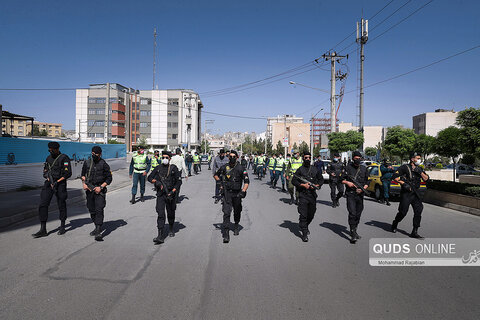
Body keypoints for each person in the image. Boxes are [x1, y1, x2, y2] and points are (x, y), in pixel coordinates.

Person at [32, 141, 72, 238]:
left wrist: (57, 181)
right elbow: (45, 171)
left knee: (61, 204)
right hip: (49, 184)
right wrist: (47, 177)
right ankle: (43, 229)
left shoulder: (64, 158)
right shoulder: (48, 158)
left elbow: (68, 173)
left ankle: (62, 225)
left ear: (57, 149)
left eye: (52, 150)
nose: (51, 152)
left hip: (60, 184)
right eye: (49, 150)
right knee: (43, 204)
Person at [391, 152, 430, 239]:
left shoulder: (419, 169)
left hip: (416, 193)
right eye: (418, 158)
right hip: (406, 193)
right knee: (403, 212)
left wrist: (420, 172)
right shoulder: (405, 167)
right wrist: (404, 184)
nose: (419, 160)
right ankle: (395, 223)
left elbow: (427, 179)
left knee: (418, 211)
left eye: (420, 158)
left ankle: (414, 231)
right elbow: (395, 176)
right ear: (412, 159)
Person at [214, 150, 249, 243]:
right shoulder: (225, 167)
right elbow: (216, 175)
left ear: (237, 157)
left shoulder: (241, 168)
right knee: (226, 212)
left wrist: (243, 190)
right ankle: (226, 233)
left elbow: (246, 181)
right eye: (230, 156)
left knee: (237, 211)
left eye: (234, 156)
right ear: (228, 157)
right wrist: (220, 183)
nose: (232, 158)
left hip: (237, 194)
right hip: (227, 193)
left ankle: (236, 225)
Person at [148, 151, 182, 244]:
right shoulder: (158, 168)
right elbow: (149, 177)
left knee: (170, 213)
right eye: (163, 157)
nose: (165, 159)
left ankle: (171, 228)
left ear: (170, 158)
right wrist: (156, 182)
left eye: (166, 157)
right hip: (161, 195)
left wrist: (173, 191)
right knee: (160, 213)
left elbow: (179, 182)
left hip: (171, 194)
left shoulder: (173, 168)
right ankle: (160, 235)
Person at [81, 146, 112, 241]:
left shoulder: (104, 164)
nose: (94, 155)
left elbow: (109, 179)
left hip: (99, 190)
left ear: (100, 154)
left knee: (99, 209)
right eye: (93, 153)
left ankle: (98, 230)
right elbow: (82, 175)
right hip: (89, 190)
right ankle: (96, 226)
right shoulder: (87, 162)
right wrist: (84, 184)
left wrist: (101, 187)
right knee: (91, 209)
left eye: (96, 154)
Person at [292, 152, 324, 242]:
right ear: (303, 159)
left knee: (311, 214)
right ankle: (304, 233)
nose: (308, 159)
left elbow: (321, 179)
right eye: (306, 158)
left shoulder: (315, 169)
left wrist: (317, 185)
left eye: (309, 158)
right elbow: (294, 181)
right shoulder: (300, 170)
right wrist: (302, 185)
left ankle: (304, 225)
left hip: (312, 195)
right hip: (303, 195)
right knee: (303, 214)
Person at [341, 151, 369, 244]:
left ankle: (355, 229)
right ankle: (352, 233)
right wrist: (347, 183)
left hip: (360, 195)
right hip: (351, 194)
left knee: (358, 214)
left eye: (359, 158)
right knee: (352, 213)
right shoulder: (347, 168)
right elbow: (340, 179)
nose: (358, 160)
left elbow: (367, 181)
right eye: (356, 158)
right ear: (353, 159)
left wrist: (364, 187)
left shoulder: (364, 168)